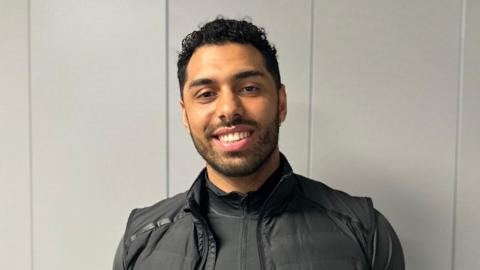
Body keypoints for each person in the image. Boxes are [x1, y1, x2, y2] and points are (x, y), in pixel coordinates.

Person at [113, 18, 404, 270]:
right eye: (206, 93)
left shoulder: (364, 230)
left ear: (281, 103)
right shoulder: (141, 238)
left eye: (249, 88)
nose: (228, 108)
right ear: (185, 115)